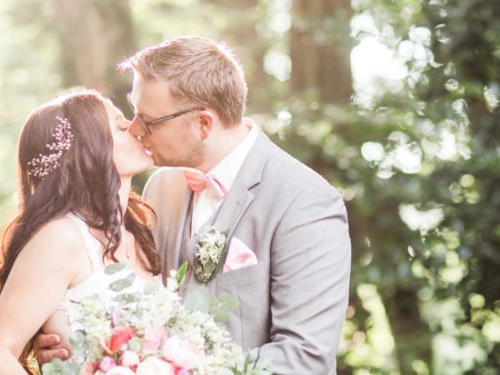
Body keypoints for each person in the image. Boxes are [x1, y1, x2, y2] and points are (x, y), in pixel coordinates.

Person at [35, 36, 352, 374]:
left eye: (149, 120)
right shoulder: (161, 187)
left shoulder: (306, 202)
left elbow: (305, 357)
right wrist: (82, 346)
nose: (136, 129)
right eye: (134, 112)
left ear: (203, 124)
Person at [0, 89, 160, 373]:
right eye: (120, 126)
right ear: (88, 153)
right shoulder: (62, 238)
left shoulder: (142, 229)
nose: (135, 128)